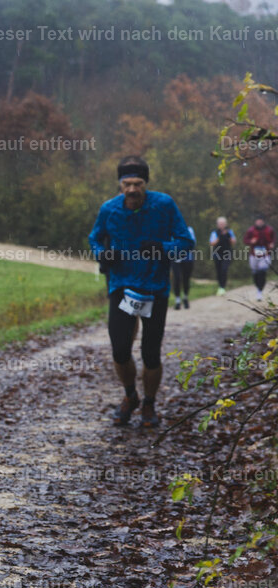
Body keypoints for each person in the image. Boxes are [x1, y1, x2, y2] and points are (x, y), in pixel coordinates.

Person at [89, 156, 195, 428]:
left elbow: (186, 242)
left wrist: (162, 248)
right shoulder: (109, 209)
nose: (132, 190)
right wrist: (104, 255)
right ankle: (130, 396)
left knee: (151, 353)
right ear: (119, 184)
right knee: (120, 350)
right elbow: (94, 238)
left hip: (154, 287)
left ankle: (149, 404)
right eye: (127, 184)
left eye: (137, 184)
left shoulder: (164, 205)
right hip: (122, 286)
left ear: (146, 183)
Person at [243, 214, 275, 301]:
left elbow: (274, 239)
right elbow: (245, 240)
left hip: (265, 254)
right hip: (254, 255)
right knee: (255, 273)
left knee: (262, 271)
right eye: (258, 221)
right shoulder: (251, 230)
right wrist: (251, 241)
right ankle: (258, 288)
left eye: (261, 221)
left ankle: (259, 291)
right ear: (255, 222)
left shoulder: (269, 230)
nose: (259, 222)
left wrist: (272, 244)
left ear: (263, 221)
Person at [170, 224, 196, 309]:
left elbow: (192, 242)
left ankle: (185, 297)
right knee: (177, 278)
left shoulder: (189, 229)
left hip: (187, 258)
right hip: (175, 258)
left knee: (186, 278)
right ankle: (177, 300)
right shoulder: (171, 229)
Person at [209, 216, 236, 295]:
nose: (221, 225)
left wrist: (228, 236)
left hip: (227, 254)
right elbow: (212, 243)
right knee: (219, 270)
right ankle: (220, 286)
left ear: (226, 224)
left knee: (224, 269)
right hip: (217, 253)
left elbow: (233, 242)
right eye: (220, 224)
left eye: (223, 223)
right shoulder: (214, 232)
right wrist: (219, 237)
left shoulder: (230, 232)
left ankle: (222, 287)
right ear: (217, 224)